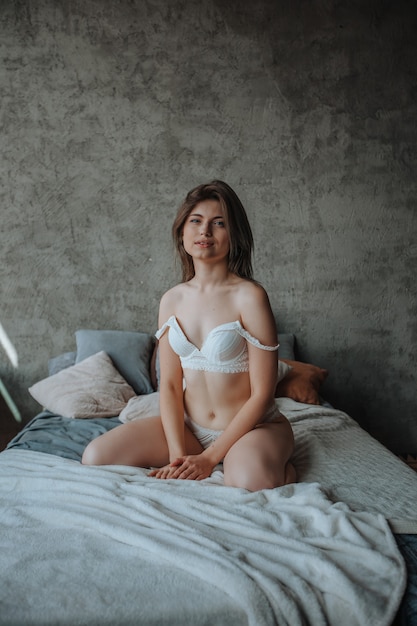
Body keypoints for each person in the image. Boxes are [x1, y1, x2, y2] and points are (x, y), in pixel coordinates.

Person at [82, 180, 296, 490]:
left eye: (218, 223)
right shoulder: (171, 300)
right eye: (196, 221)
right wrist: (177, 456)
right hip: (191, 431)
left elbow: (263, 394)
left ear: (233, 235)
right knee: (96, 455)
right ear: (182, 232)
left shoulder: (250, 297)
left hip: (253, 428)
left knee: (248, 482)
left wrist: (210, 459)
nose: (205, 231)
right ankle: (216, 455)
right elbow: (169, 385)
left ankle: (284, 468)